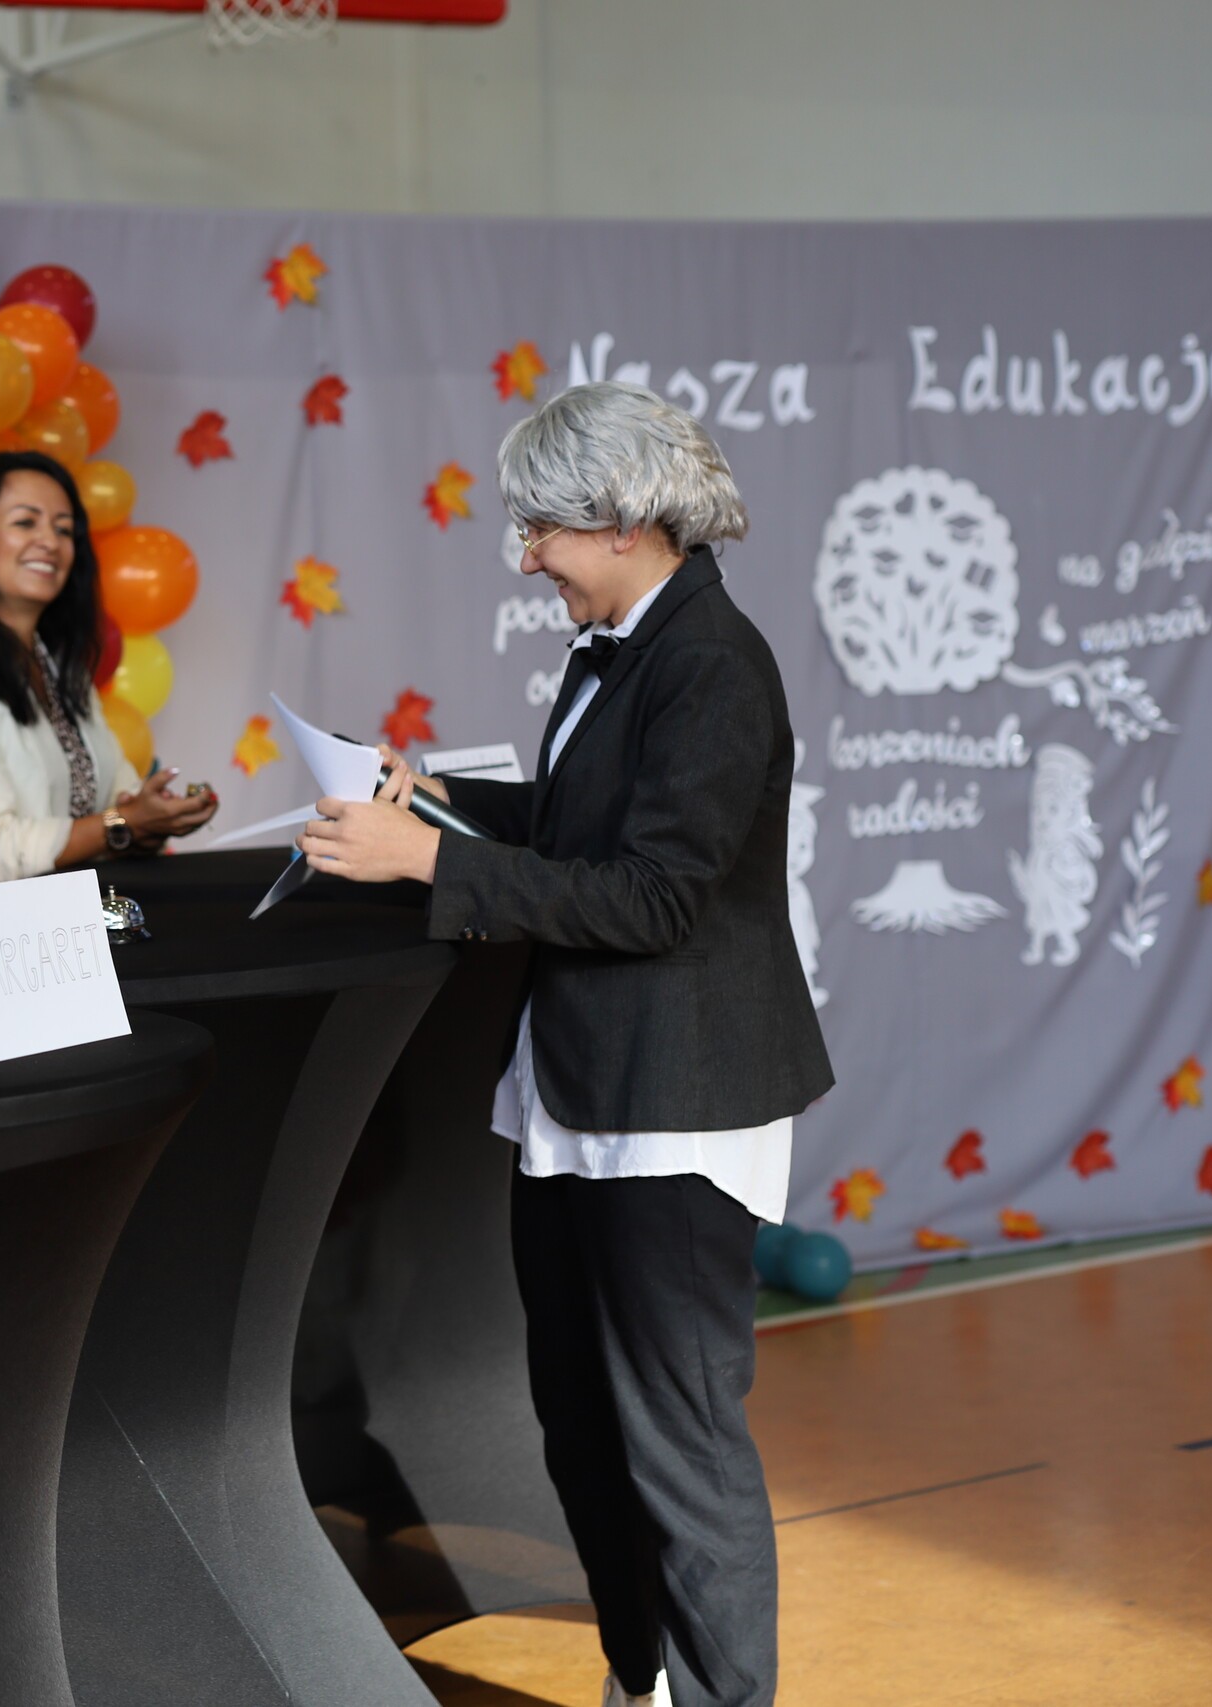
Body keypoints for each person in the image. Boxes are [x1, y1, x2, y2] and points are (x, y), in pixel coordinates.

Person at [297, 382, 832, 1707]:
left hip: (675, 1106)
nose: (527, 554)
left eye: (541, 527)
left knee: (680, 1447)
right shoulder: (621, 647)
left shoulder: (714, 663)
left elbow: (653, 895)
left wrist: (424, 859)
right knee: (581, 1424)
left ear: (625, 519)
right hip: (578, 1094)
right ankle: (635, 1672)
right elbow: (579, 820)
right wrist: (442, 801)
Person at [0, 451, 217, 884]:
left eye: (64, 529)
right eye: (26, 522)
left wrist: (159, 815)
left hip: (78, 920)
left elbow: (118, 802)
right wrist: (124, 823)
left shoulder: (64, 673)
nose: (50, 541)